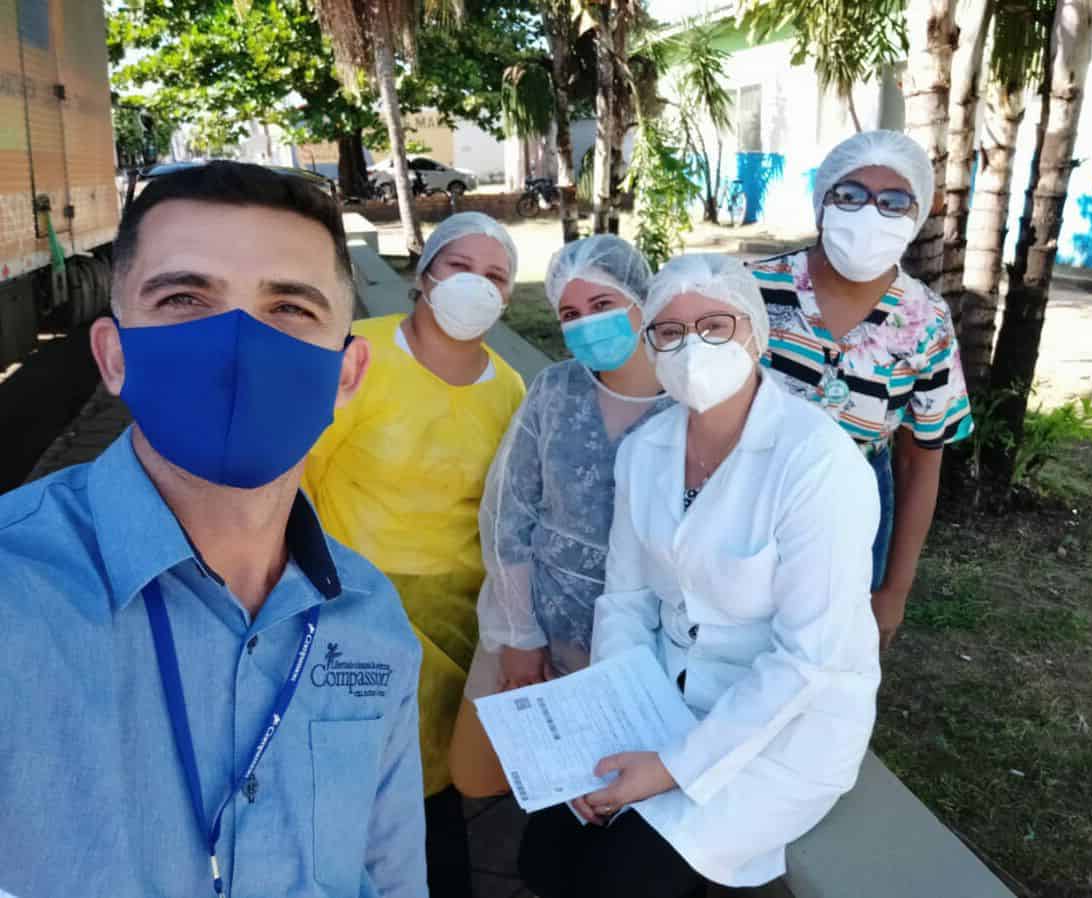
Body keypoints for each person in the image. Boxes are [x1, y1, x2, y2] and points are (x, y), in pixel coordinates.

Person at [0, 162, 426, 898]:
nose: (235, 344)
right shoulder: (15, 594)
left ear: (348, 373)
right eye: (184, 298)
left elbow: (389, 876)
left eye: (289, 308)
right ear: (112, 356)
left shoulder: (371, 620)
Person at [517, 254, 882, 897]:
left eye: (715, 325)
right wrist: (621, 722)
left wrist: (669, 767)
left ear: (755, 336)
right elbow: (626, 600)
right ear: (650, 345)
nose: (692, 346)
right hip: (661, 695)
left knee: (616, 878)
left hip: (785, 726)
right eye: (669, 331)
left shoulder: (816, 463)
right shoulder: (646, 451)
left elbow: (805, 660)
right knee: (544, 854)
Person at [302, 211, 526, 897]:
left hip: (454, 625)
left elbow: (504, 517)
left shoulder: (512, 391)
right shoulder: (356, 359)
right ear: (423, 276)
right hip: (345, 610)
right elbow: (293, 476)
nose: (476, 286)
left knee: (429, 792)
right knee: (335, 786)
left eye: (495, 276)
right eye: (460, 267)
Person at [448, 235, 669, 798]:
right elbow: (508, 512)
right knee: (478, 775)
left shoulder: (690, 406)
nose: (586, 325)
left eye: (602, 307)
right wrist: (519, 634)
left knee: (591, 786)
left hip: (640, 648)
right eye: (570, 314)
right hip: (532, 619)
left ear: (643, 301)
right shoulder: (554, 389)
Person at [749, 130, 973, 650]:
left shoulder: (927, 322)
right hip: (749, 492)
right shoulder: (754, 289)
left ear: (915, 219)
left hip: (855, 506)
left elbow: (922, 461)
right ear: (822, 202)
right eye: (850, 195)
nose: (871, 213)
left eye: (894, 201)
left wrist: (895, 588)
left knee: (823, 665)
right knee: (731, 648)